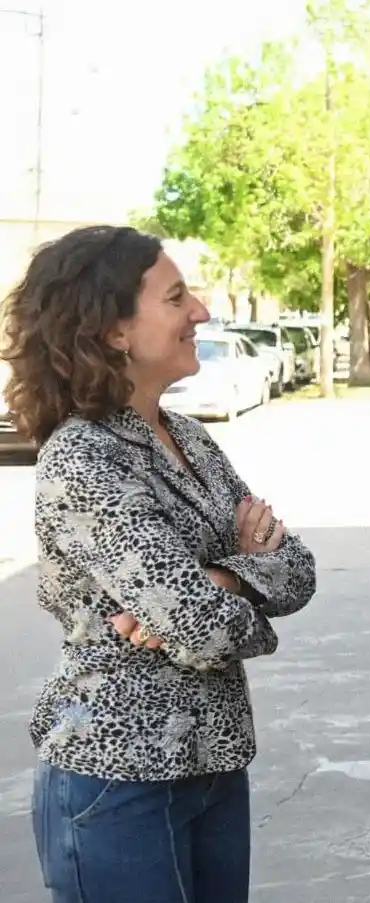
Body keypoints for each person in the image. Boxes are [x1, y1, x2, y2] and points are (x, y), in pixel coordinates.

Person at [1, 225, 318, 903]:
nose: (200, 310)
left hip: (213, 766)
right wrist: (229, 583)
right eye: (176, 298)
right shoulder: (83, 457)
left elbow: (298, 569)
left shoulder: (191, 439)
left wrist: (221, 578)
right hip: (118, 779)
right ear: (114, 330)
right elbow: (201, 629)